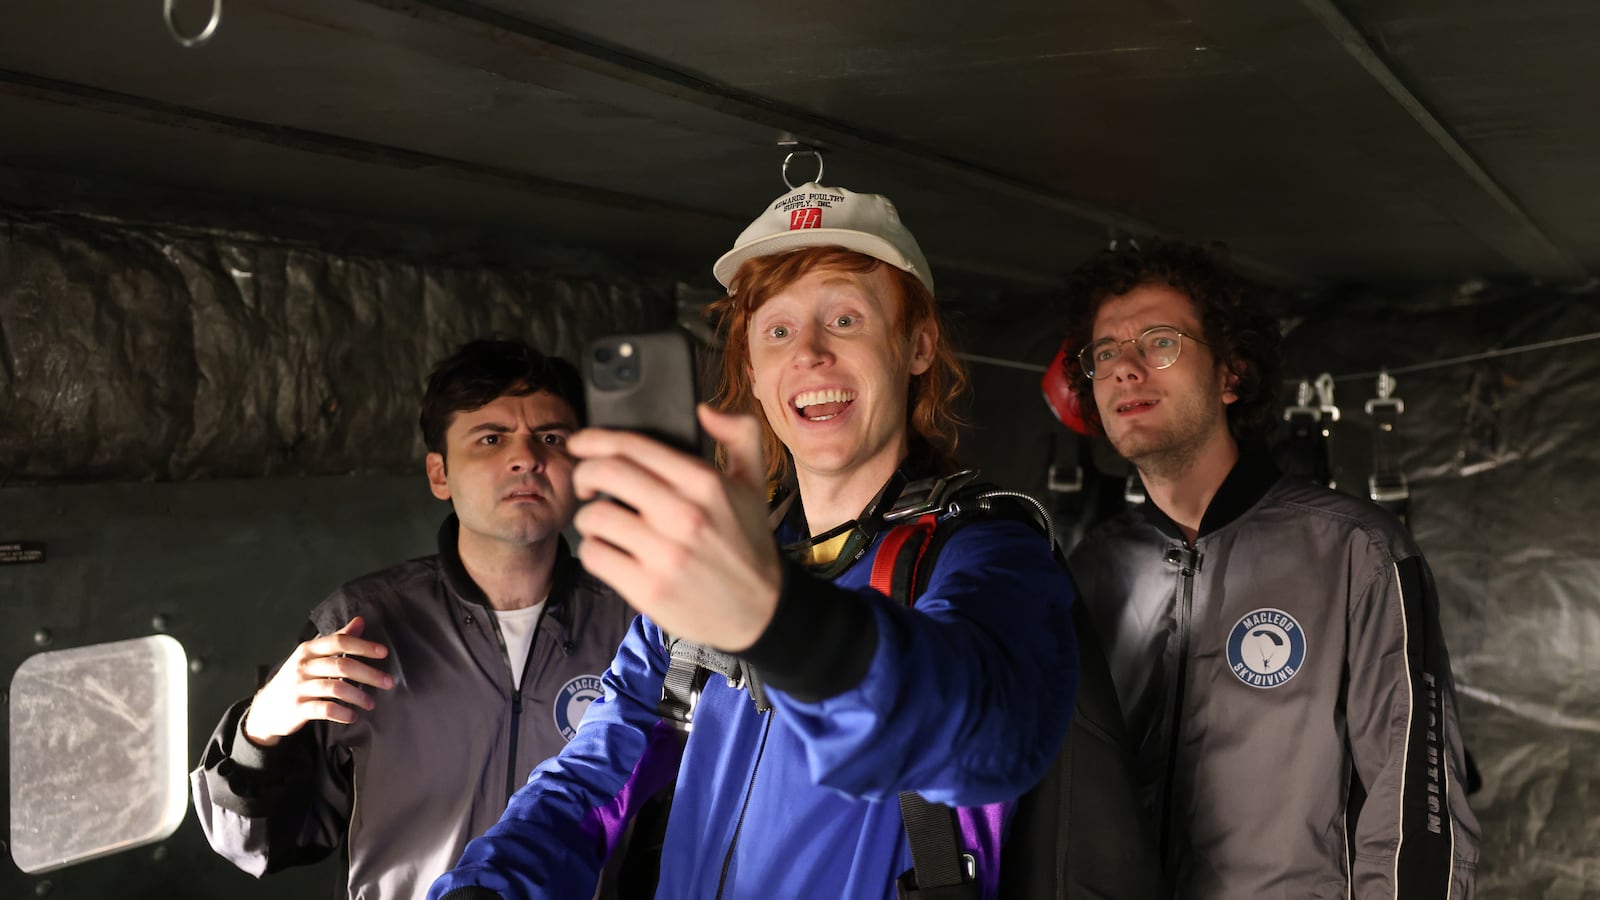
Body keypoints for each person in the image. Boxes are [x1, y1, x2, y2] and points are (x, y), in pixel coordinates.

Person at [427, 182, 1079, 900]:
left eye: (846, 318)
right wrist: (484, 889)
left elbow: (980, 732)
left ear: (917, 346)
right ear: (755, 371)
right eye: (777, 331)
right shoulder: (716, 568)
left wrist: (778, 623)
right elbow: (592, 777)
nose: (810, 355)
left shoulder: (988, 556)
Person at [1058, 238, 1481, 898]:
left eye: (1159, 342)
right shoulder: (1088, 571)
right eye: (1105, 353)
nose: (1125, 370)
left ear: (1232, 374)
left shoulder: (1355, 552)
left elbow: (1416, 811)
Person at [191, 339, 641, 900]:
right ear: (440, 474)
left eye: (551, 437)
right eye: (491, 438)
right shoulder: (360, 622)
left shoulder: (638, 624)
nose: (526, 456)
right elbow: (260, 845)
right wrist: (259, 732)